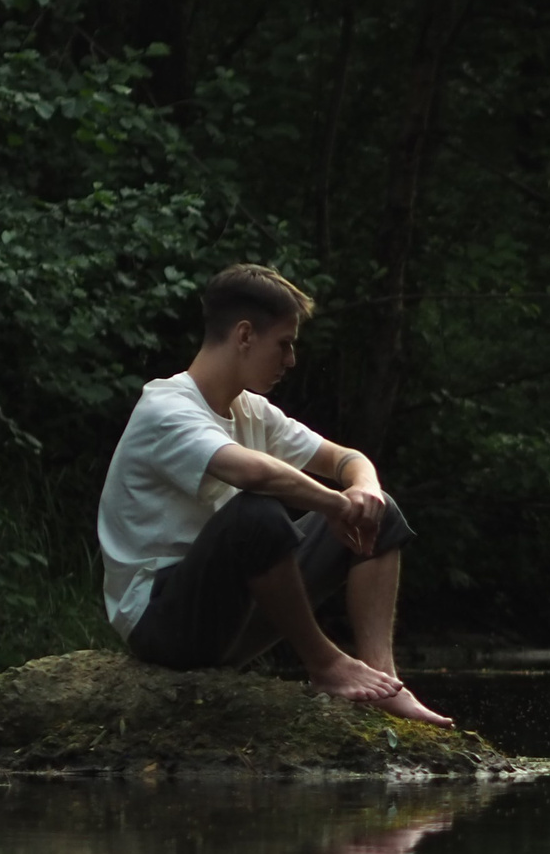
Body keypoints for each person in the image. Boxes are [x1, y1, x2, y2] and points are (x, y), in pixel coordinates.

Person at [97, 264, 448, 723]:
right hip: (162, 624)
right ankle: (326, 665)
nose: (291, 360)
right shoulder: (164, 408)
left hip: (230, 615)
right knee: (256, 515)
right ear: (244, 335)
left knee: (379, 512)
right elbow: (253, 474)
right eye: (284, 344)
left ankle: (383, 681)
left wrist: (362, 491)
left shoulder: (252, 410)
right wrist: (335, 503)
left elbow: (347, 459)